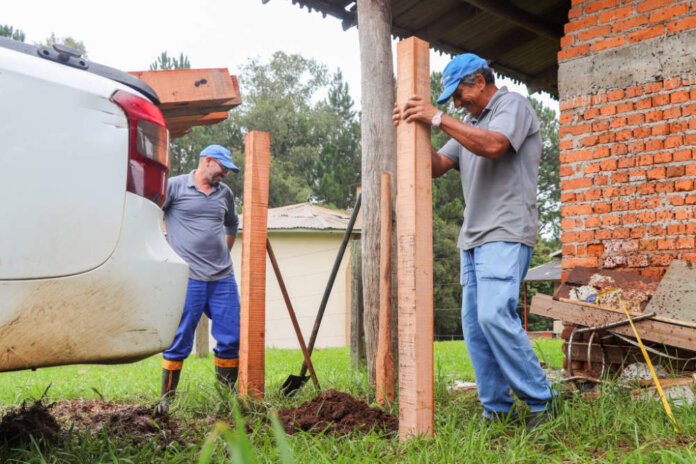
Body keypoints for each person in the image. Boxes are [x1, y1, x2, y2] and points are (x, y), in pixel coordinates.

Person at [393, 53, 555, 429]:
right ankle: (496, 410)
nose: (456, 102)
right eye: (451, 99)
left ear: (480, 81)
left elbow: (495, 145)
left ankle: (541, 402)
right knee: (476, 326)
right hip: (473, 238)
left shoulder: (512, 105)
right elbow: (435, 166)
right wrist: (409, 130)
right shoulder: (469, 123)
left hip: (505, 231)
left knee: (494, 315)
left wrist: (436, 117)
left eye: (460, 93)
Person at [158, 144, 242, 408]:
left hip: (222, 278)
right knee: (179, 338)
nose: (225, 175)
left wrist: (224, 250)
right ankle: (167, 401)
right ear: (207, 161)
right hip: (188, 278)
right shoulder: (174, 187)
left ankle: (226, 401)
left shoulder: (224, 193)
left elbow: (232, 223)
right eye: (223, 168)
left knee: (232, 336)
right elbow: (150, 215)